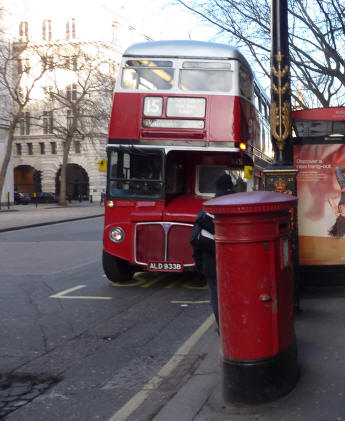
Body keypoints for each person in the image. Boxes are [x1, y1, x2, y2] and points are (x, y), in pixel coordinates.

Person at [190, 173, 234, 327]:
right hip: (235, 263)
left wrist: (199, 264)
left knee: (216, 297)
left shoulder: (207, 209)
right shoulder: (237, 204)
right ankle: (236, 327)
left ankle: (222, 327)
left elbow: (194, 239)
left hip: (211, 264)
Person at [328, 166, 345, 237]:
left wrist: (334, 207)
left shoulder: (338, 211)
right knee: (337, 169)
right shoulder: (339, 212)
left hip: (343, 186)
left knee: (337, 169)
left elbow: (329, 199)